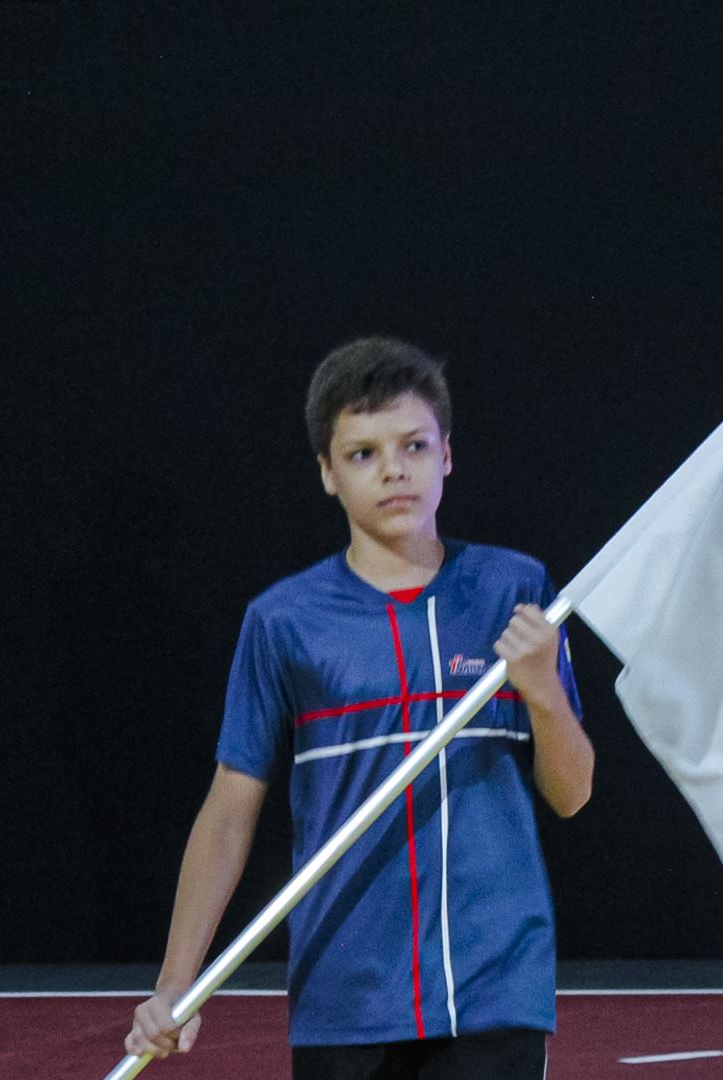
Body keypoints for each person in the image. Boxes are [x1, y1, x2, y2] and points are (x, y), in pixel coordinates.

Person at [125, 337, 594, 1079]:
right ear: (327, 473)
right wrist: (174, 983)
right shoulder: (284, 622)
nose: (393, 470)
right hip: (345, 992)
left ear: (447, 455)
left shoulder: (514, 590)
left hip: (496, 986)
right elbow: (230, 809)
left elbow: (572, 793)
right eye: (363, 454)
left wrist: (543, 693)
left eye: (414, 445)